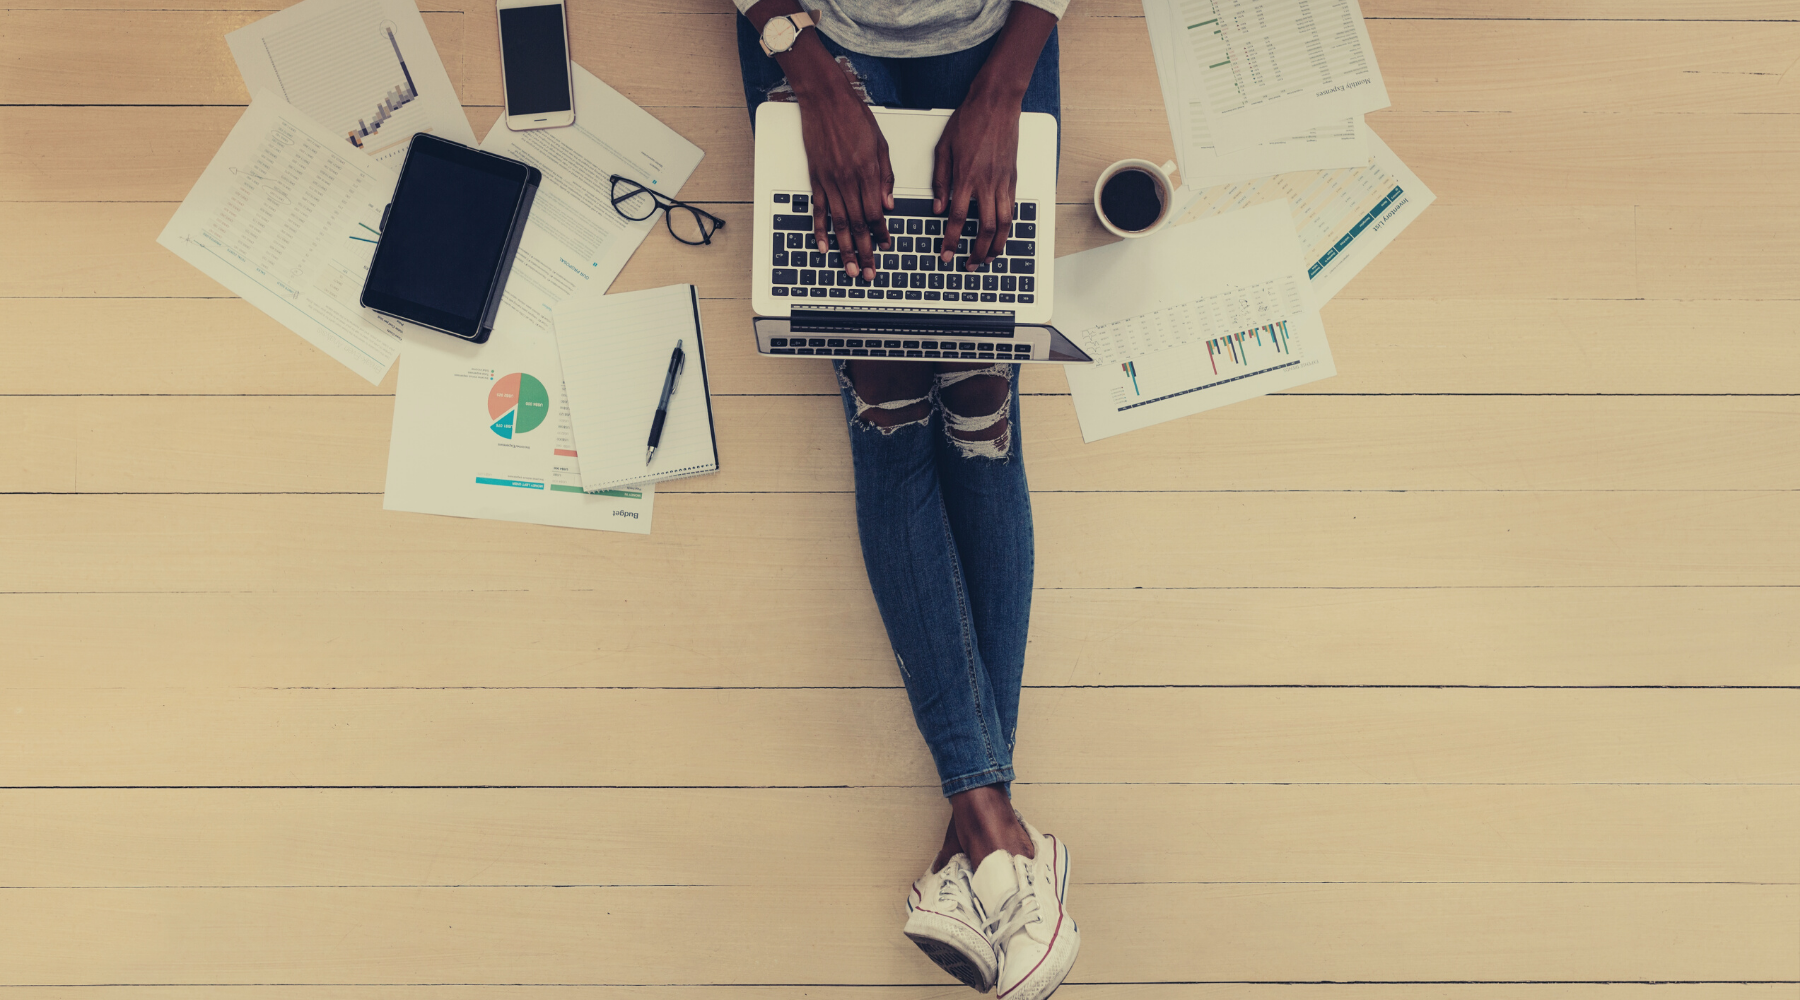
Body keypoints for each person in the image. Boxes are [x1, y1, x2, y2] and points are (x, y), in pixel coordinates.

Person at [733, 1, 1079, 996]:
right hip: (812, 28)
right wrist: (796, 55)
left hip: (998, 28)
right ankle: (992, 833)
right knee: (884, 391)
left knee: (981, 389)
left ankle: (978, 840)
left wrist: (1012, 75)